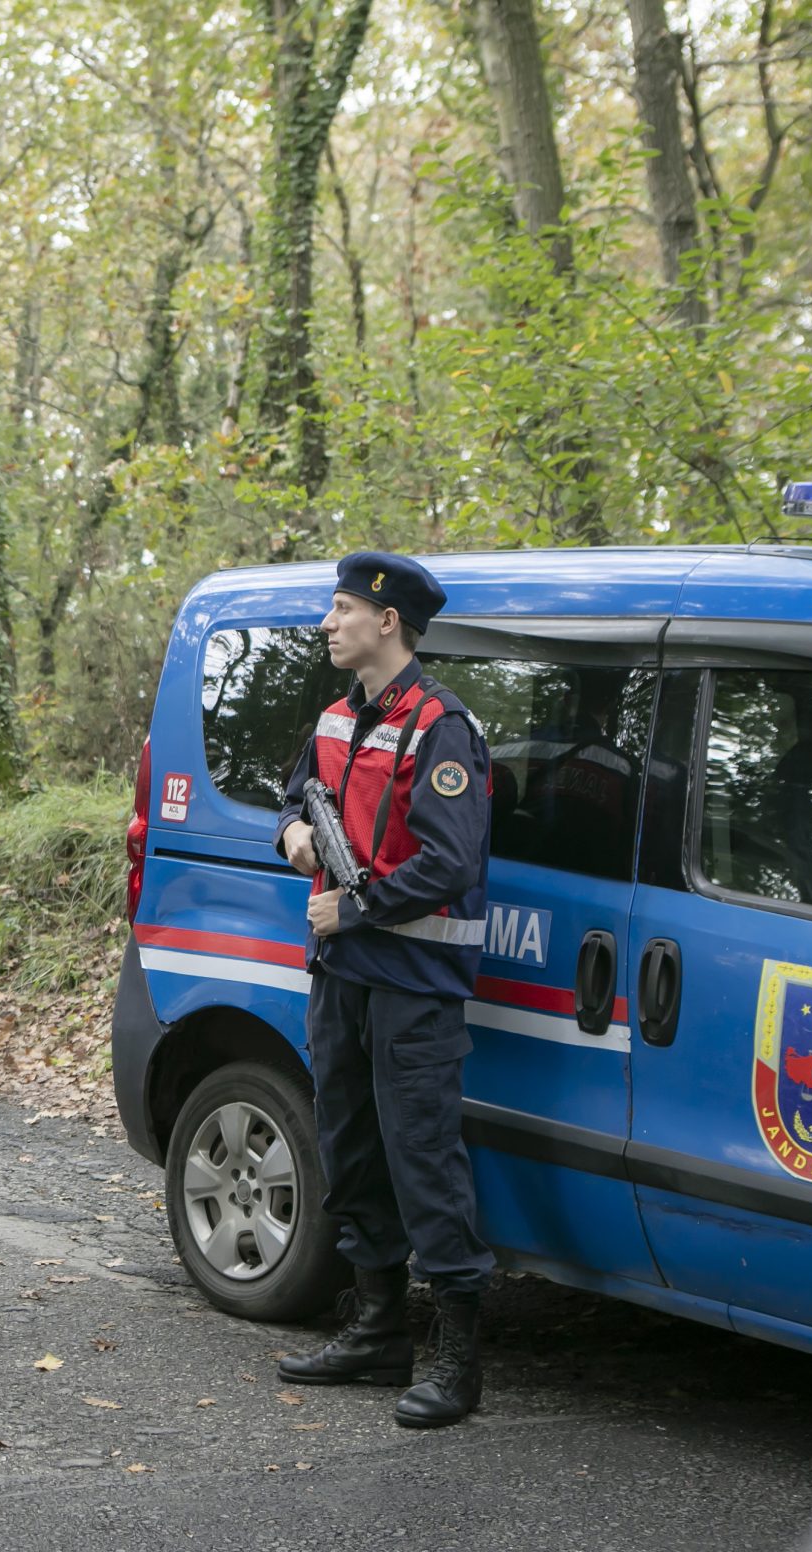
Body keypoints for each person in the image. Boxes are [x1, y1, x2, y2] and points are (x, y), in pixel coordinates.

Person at [274, 551, 495, 1427]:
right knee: (353, 1148)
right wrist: (294, 835)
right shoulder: (335, 716)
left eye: (339, 610)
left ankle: (458, 1360)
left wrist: (356, 907)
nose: (328, 624)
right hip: (344, 978)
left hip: (412, 983)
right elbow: (294, 798)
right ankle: (376, 1331)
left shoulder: (443, 726)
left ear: (386, 621)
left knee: (423, 1160)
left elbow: (451, 860)